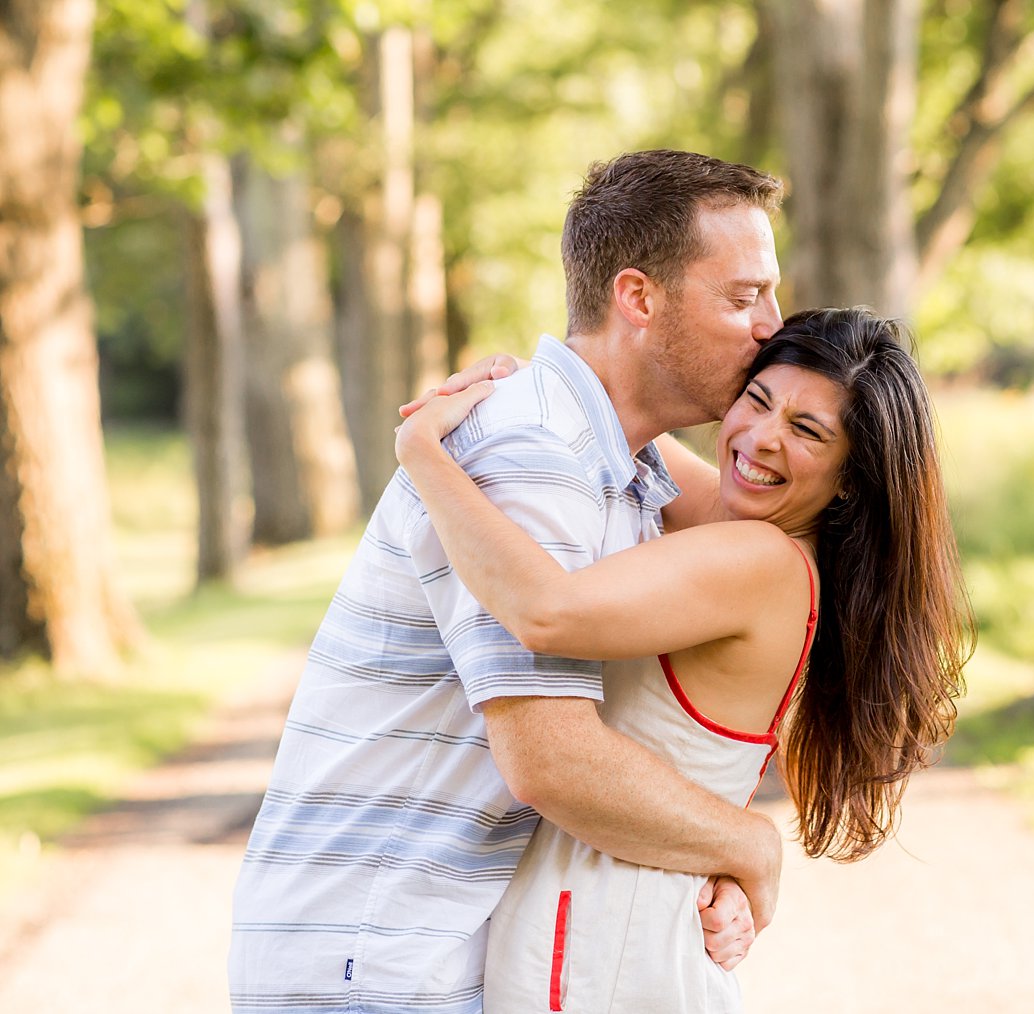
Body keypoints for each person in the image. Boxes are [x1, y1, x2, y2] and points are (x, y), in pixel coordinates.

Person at [229, 150, 791, 1014]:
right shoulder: (531, 453)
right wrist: (748, 847)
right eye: (744, 296)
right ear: (638, 298)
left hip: (414, 953)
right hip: (375, 962)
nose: (770, 327)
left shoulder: (614, 457)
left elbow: (784, 537)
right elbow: (550, 760)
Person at [394, 307, 973, 1012]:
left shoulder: (756, 559)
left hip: (599, 954)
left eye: (807, 431)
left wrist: (424, 450)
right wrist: (525, 382)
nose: (761, 439)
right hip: (626, 939)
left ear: (850, 479)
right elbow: (627, 428)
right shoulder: (761, 538)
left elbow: (548, 612)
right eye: (757, 401)